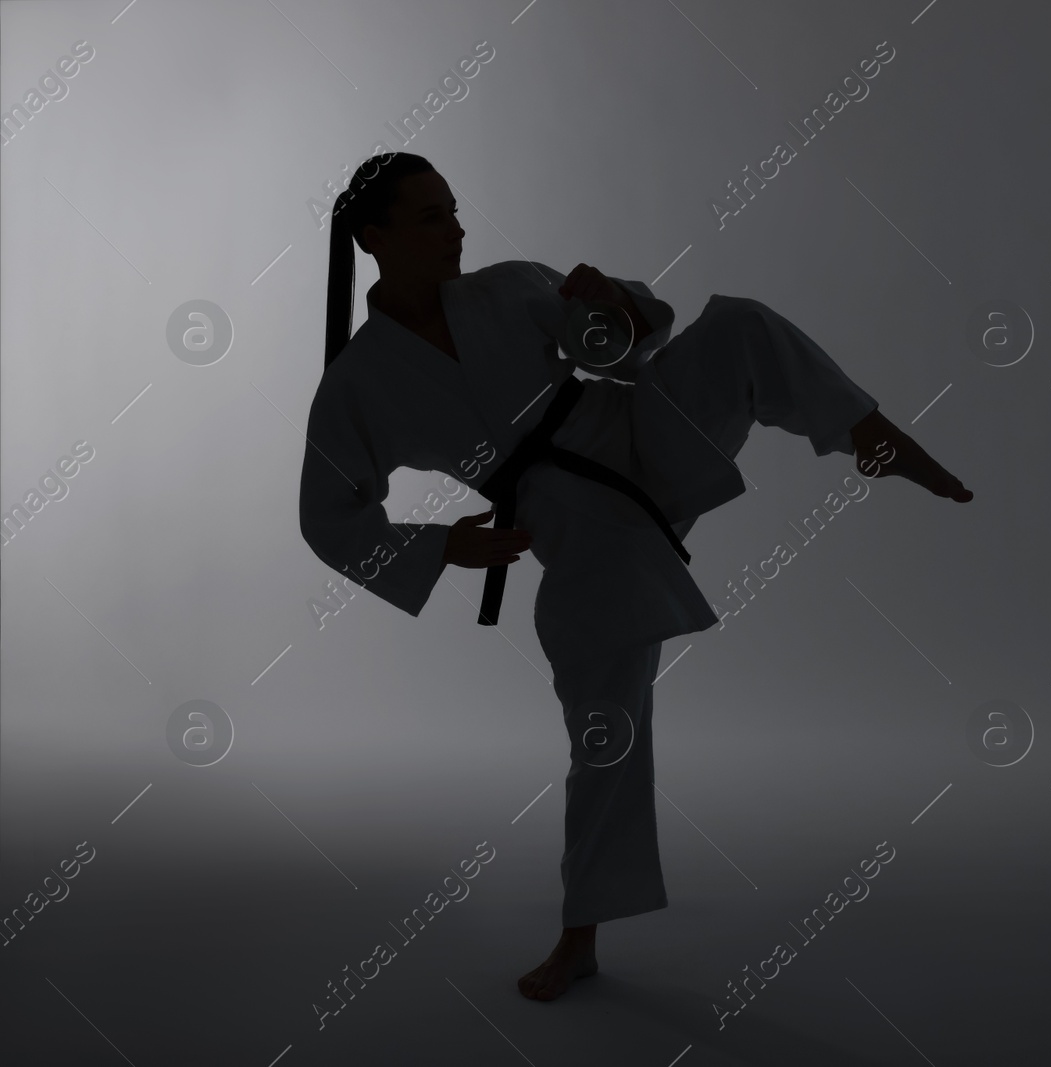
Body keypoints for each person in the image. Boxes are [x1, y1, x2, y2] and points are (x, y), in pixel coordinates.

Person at [301, 152, 972, 1003]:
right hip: (569, 522)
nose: (458, 229)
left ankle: (869, 435)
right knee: (604, 727)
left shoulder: (504, 288)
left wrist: (610, 305)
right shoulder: (359, 383)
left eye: (455, 210)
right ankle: (581, 933)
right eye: (432, 216)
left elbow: (617, 350)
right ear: (373, 236)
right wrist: (440, 548)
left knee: (739, 329)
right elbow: (328, 516)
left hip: (643, 433)